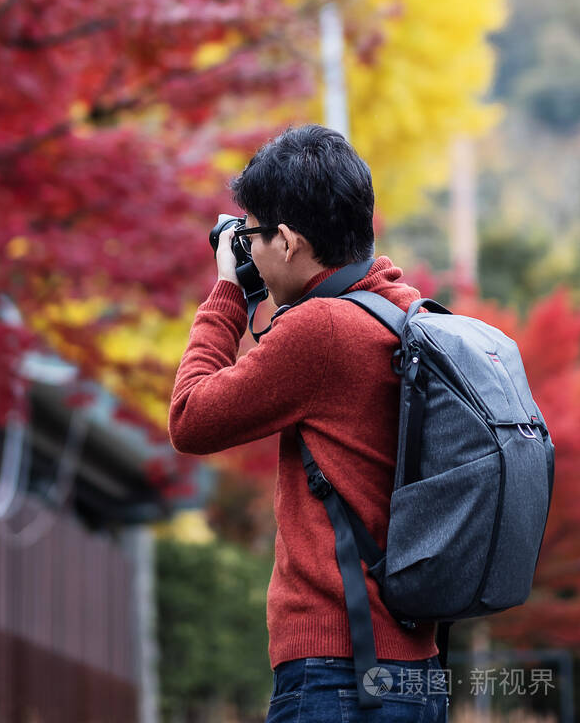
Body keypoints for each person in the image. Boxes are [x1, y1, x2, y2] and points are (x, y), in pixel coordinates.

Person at [169, 125, 448, 722]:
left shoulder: (321, 332)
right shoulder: (404, 311)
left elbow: (189, 418)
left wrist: (227, 293)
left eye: (253, 238)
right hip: (417, 675)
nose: (250, 253)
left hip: (339, 673)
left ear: (289, 242)